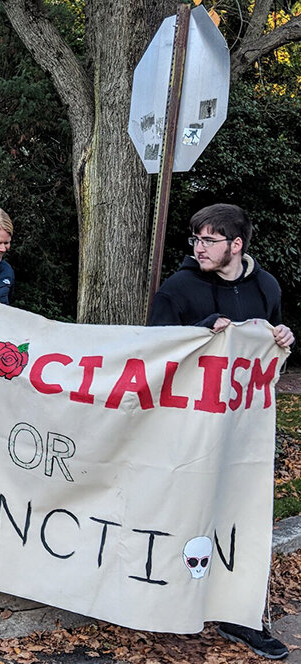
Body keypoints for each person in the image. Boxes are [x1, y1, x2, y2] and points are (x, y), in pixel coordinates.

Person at [149, 203, 293, 660]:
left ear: (237, 245)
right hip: (187, 430)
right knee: (180, 513)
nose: (198, 248)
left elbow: (267, 349)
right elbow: (152, 346)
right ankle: (164, 603)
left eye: (209, 240)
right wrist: (201, 330)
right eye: (195, 239)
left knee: (240, 520)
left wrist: (283, 338)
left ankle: (240, 616)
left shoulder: (265, 285)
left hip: (242, 431)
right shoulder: (179, 287)